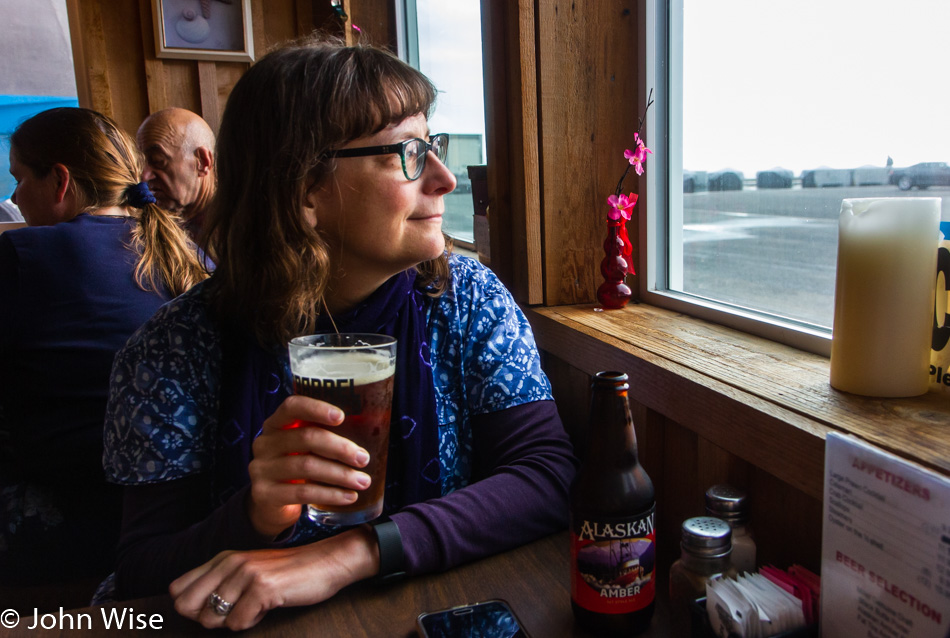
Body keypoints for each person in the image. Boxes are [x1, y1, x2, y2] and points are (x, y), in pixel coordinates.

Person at [102, 35, 578, 631]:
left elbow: (547, 475)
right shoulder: (172, 351)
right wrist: (253, 514)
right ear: (304, 188)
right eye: (406, 152)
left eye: (433, 146)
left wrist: (350, 554)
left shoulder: (463, 298)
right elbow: (141, 576)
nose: (444, 178)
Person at [0, 107, 208, 600]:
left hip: (83, 514)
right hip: (186, 513)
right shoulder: (192, 254)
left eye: (20, 179)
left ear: (60, 180)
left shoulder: (24, 258)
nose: (13, 198)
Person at [136, 107, 216, 240]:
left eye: (158, 161)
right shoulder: (149, 225)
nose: (144, 176)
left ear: (202, 162)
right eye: (140, 164)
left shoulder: (238, 228)